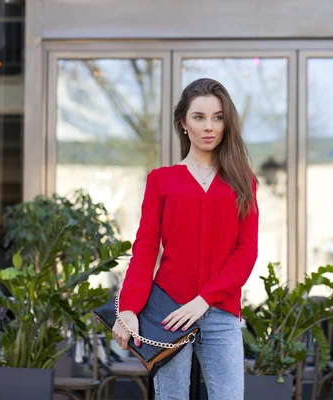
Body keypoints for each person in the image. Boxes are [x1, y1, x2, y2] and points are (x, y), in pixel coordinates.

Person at [113, 78, 259, 400]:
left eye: (218, 117)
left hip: (221, 312)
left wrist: (204, 299)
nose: (210, 126)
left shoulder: (242, 182)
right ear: (183, 123)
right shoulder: (161, 181)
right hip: (168, 313)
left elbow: (246, 252)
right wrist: (128, 309)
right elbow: (145, 249)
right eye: (199, 117)